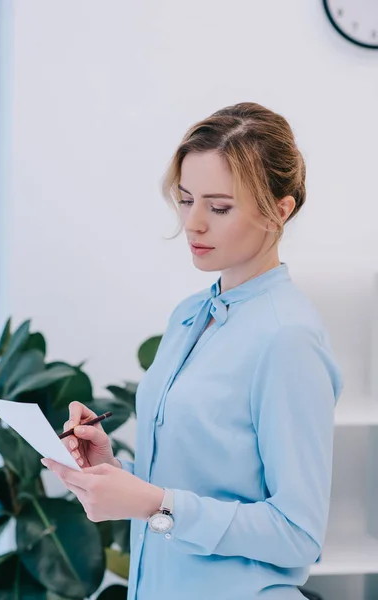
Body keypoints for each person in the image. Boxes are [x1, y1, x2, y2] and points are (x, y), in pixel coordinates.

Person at [41, 102, 343, 600]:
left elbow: (299, 536)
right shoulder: (189, 315)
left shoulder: (287, 338)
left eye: (219, 207)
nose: (193, 223)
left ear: (280, 210)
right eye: (185, 200)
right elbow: (191, 488)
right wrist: (113, 473)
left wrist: (154, 505)